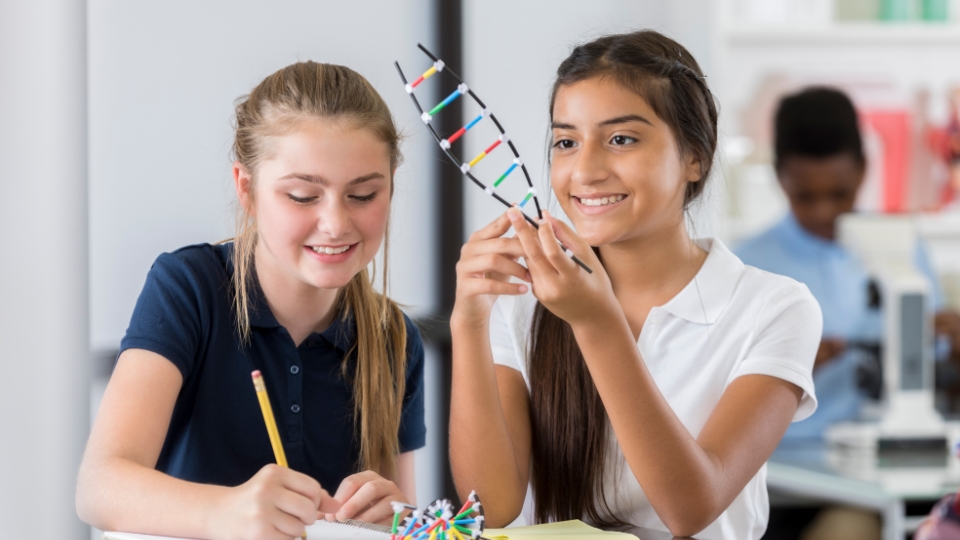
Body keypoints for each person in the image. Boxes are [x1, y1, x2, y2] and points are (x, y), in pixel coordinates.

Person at [448, 30, 821, 540]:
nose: (585, 170)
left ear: (696, 158)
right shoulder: (524, 304)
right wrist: (469, 322)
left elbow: (691, 509)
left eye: (621, 139)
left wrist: (596, 321)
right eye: (565, 142)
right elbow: (491, 509)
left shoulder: (773, 307)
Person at [75, 62, 425, 540]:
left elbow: (400, 512)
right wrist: (227, 511)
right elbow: (99, 488)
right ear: (247, 189)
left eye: (363, 194)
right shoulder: (189, 288)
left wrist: (396, 520)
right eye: (303, 196)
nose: (336, 223)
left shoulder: (394, 336)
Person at [735, 87, 960, 442]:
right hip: (791, 470)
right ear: (780, 177)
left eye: (839, 193)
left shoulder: (904, 246)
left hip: (894, 452)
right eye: (805, 197)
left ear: (863, 170)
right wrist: (781, 370)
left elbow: (941, 369)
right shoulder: (744, 265)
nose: (824, 212)